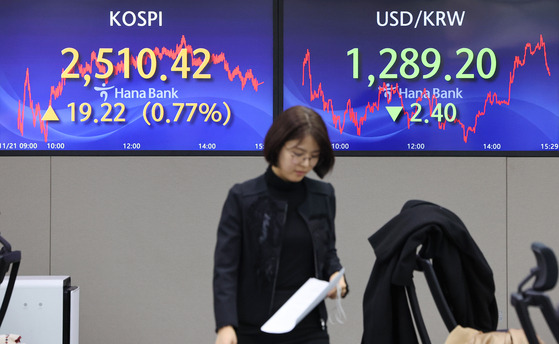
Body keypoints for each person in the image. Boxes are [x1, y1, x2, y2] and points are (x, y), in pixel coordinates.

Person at [213, 105, 348, 344]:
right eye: (297, 153)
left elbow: (327, 252)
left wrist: (337, 276)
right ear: (278, 145)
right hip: (255, 327)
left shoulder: (323, 195)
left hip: (308, 326)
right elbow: (226, 268)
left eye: (313, 156)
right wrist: (225, 325)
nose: (305, 163)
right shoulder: (243, 197)